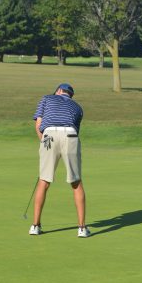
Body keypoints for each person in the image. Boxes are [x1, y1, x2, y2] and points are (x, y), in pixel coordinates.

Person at [29, 83, 91, 238]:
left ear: (58, 91)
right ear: (70, 95)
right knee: (76, 182)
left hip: (48, 134)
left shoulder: (46, 98)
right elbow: (75, 131)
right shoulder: (78, 107)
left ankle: (35, 226)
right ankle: (82, 229)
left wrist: (43, 144)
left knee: (44, 181)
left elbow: (38, 124)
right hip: (70, 135)